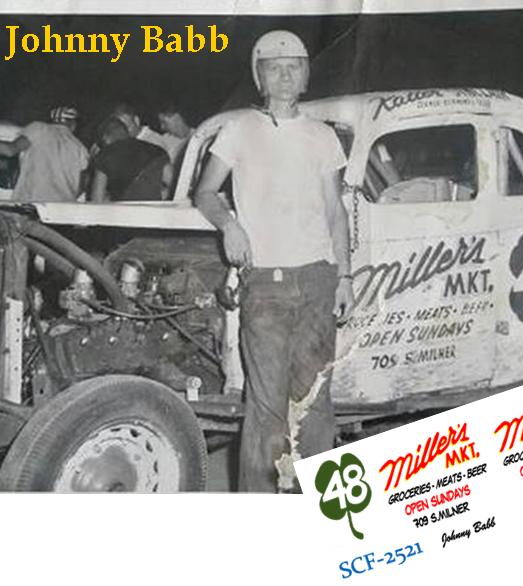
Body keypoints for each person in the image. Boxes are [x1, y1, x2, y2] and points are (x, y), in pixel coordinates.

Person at [193, 30, 354, 493]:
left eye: (294, 67)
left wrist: (344, 276)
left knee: (316, 402)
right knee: (266, 408)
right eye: (274, 67)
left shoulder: (322, 136)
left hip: (319, 278)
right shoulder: (238, 129)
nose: (285, 76)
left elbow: (334, 210)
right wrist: (229, 224)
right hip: (265, 284)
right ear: (259, 76)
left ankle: (317, 505)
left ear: (306, 75)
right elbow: (205, 192)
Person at [0, 106, 89, 202]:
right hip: (62, 210)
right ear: (73, 124)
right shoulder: (80, 148)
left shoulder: (38, 128)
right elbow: (80, 188)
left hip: (30, 205)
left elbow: (9, 150)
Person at [89, 116, 171, 202]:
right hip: (156, 211)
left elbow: (97, 200)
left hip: (125, 213)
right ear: (126, 132)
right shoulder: (157, 150)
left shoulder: (104, 155)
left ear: (105, 139)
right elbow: (173, 185)